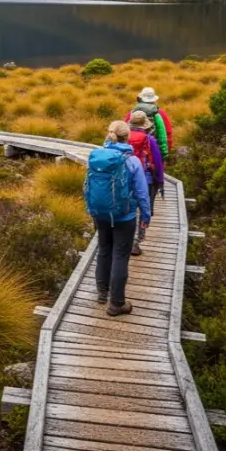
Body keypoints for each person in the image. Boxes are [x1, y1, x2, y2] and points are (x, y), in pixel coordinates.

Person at [84, 120, 151, 317]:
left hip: (100, 214)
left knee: (104, 250)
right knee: (120, 255)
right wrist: (145, 216)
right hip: (124, 215)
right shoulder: (132, 161)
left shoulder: (97, 157)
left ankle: (102, 293)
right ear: (127, 136)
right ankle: (117, 303)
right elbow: (142, 193)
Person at [127, 110, 165, 256]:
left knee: (128, 209)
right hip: (146, 178)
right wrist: (160, 180)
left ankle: (125, 238)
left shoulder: (123, 137)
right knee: (142, 209)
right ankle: (136, 241)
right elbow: (157, 161)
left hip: (126, 178)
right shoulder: (149, 139)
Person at [126, 87, 170, 156]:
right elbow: (163, 135)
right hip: (152, 150)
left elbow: (124, 130)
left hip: (132, 150)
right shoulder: (158, 114)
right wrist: (164, 153)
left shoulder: (132, 112)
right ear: (154, 100)